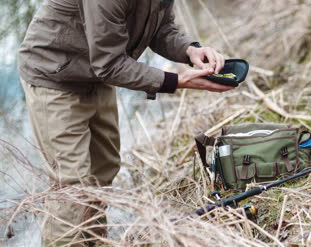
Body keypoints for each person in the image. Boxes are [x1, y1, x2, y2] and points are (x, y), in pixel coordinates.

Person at [18, 0, 233, 246]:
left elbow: (162, 29)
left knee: (104, 168)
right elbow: (108, 64)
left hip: (95, 76)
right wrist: (175, 81)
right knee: (73, 185)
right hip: (54, 77)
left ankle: (93, 241)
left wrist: (190, 50)